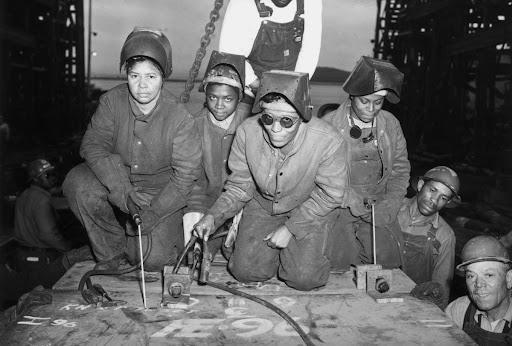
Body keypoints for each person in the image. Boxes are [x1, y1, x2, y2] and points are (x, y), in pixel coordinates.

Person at [193, 70, 348, 291]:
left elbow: (331, 194)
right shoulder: (247, 131)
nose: (275, 128)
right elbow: (239, 186)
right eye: (268, 118)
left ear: (304, 115)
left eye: (287, 121)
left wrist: (290, 229)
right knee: (245, 273)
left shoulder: (328, 140)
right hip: (263, 205)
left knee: (304, 279)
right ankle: (258, 248)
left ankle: (307, 250)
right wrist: (212, 216)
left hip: (310, 207)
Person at [63, 28, 202, 272]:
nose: (142, 86)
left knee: (153, 261)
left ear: (163, 77)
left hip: (160, 193)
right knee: (77, 183)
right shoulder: (111, 102)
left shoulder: (180, 118)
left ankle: (140, 243)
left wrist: (155, 213)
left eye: (151, 77)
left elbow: (184, 178)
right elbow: (93, 146)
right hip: (119, 181)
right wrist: (123, 191)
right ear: (126, 74)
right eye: (134, 75)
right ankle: (110, 252)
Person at [323, 56, 409, 269]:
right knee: (339, 263)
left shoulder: (390, 124)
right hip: (339, 203)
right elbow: (320, 176)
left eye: (378, 102)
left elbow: (399, 170)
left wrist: (391, 203)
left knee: (387, 262)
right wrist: (347, 197)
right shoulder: (328, 125)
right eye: (365, 101)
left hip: (378, 203)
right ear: (351, 97)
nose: (371, 109)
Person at [183, 50, 248, 255]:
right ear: (206, 97)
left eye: (228, 99)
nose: (219, 105)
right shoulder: (194, 127)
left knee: (238, 258)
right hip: (207, 202)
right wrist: (196, 215)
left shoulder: (252, 124)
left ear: (240, 99)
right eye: (212, 97)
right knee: (197, 252)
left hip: (243, 203)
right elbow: (193, 183)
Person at [218, 0, 322, 107]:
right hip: (248, 87)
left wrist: (291, 89)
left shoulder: (311, 3)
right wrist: (257, 86)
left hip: (292, 88)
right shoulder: (242, 3)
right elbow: (230, 54)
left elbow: (310, 51)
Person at [399, 166, 460, 309]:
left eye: (443, 198)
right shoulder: (392, 209)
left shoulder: (444, 235)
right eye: (433, 190)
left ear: (448, 203)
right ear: (420, 185)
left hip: (412, 307)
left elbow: (441, 288)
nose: (435, 200)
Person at [446, 235, 512, 344]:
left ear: (509, 279)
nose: (478, 284)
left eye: (489, 275)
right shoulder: (459, 310)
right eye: (471, 276)